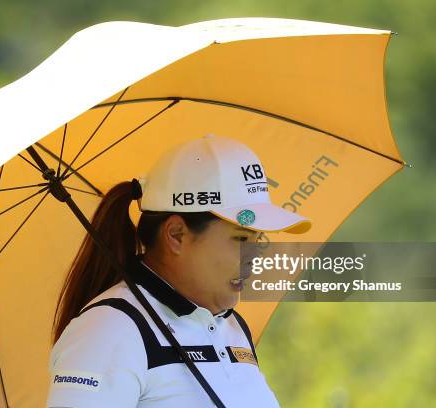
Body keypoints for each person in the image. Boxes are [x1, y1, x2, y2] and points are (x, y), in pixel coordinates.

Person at [46, 134, 311, 407]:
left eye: (258, 239)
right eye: (241, 239)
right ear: (176, 235)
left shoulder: (231, 326)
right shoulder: (107, 330)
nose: (254, 258)